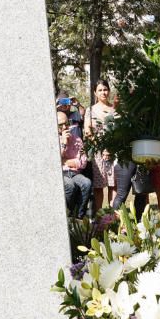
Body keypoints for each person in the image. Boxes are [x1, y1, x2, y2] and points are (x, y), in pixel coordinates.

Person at [86, 80, 116, 213]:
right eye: (100, 90)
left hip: (114, 151)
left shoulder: (115, 109)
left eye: (105, 89)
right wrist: (102, 147)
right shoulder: (90, 111)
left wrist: (110, 148)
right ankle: (99, 219)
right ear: (95, 93)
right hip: (98, 153)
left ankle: (113, 218)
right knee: (98, 187)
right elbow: (88, 132)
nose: (103, 92)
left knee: (113, 185)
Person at [59, 110, 91, 217]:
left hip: (74, 173)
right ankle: (67, 214)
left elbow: (83, 162)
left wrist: (66, 161)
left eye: (66, 124)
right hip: (61, 174)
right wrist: (64, 143)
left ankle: (79, 217)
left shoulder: (77, 139)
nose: (64, 127)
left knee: (86, 183)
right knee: (69, 185)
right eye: (60, 125)